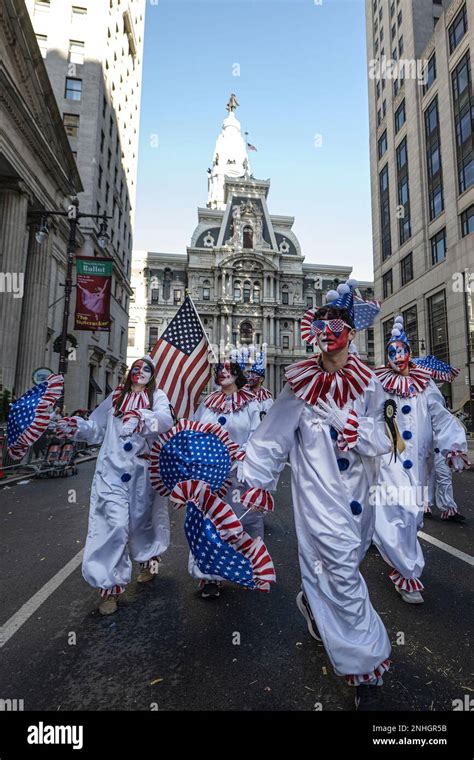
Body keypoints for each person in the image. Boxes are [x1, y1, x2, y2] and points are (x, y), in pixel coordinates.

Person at [240, 279, 392, 710]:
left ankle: (311, 600)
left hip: (361, 494)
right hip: (318, 496)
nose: (328, 334)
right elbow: (271, 438)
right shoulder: (299, 385)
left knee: (348, 560)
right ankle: (363, 662)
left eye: (336, 325)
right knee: (342, 570)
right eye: (321, 326)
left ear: (351, 332)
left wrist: (354, 430)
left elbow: (388, 437)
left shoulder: (370, 384)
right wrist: (256, 484)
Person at [57, 357, 174, 615]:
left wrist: (142, 418)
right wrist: (73, 427)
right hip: (111, 473)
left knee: (142, 523)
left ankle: (148, 560)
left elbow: (166, 421)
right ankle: (110, 587)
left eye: (146, 369)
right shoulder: (116, 397)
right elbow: (96, 428)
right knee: (115, 525)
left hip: (142, 474)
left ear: (152, 375)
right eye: (136, 368)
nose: (139, 372)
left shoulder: (158, 397)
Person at [373, 318, 470, 606]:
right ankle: (407, 571)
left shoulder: (424, 384)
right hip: (389, 460)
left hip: (418, 463)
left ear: (410, 352)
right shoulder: (379, 384)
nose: (398, 357)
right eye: (392, 352)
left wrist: (453, 446)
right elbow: (367, 415)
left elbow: (440, 416)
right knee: (396, 513)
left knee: (412, 517)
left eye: (402, 350)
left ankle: (398, 559)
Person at [190, 359, 261, 599]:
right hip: (210, 475)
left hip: (239, 474)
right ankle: (210, 577)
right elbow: (195, 433)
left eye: (228, 369)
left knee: (242, 522)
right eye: (219, 369)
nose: (223, 373)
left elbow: (257, 435)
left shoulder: (251, 404)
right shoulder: (208, 404)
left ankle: (246, 569)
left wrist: (245, 461)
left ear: (237, 374)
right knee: (208, 525)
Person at [411, 355, 468, 523]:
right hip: (428, 441)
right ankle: (427, 505)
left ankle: (447, 508)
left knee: (441, 474)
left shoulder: (430, 389)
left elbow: (441, 417)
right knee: (428, 474)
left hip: (438, 441)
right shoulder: (420, 389)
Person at [245, 346, 273, 419]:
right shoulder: (242, 395)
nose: (250, 377)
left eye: (253, 375)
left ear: (261, 379)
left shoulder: (267, 401)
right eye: (249, 374)